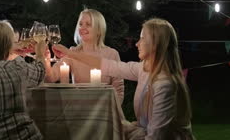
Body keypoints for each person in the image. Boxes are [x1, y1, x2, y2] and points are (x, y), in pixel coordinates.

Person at [53, 18, 195, 140]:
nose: (137, 43)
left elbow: (154, 137)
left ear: (156, 44)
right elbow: (107, 65)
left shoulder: (165, 85)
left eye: (142, 38)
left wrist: (130, 130)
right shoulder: (143, 70)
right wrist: (69, 53)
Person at [45, 9, 124, 104]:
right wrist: (45, 59)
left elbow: (118, 91)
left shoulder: (111, 54)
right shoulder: (72, 52)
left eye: (88, 24)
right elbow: (50, 78)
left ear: (99, 30)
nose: (82, 28)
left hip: (103, 111)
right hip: (77, 109)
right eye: (80, 24)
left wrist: (108, 112)